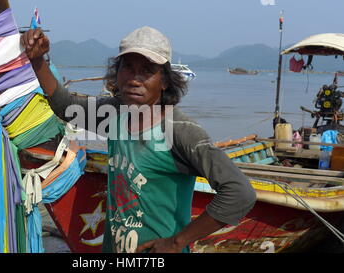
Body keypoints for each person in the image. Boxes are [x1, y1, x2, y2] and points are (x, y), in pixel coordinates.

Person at [21, 26, 256, 253]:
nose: (134, 79)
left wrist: (176, 242)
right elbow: (66, 106)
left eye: (147, 71)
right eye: (128, 68)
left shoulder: (180, 132)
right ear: (117, 72)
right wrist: (38, 60)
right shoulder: (115, 113)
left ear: (164, 81)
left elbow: (239, 192)